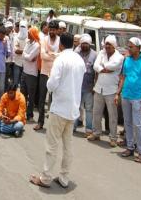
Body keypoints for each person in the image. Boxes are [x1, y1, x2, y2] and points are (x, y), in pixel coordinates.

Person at [30, 32, 86, 189]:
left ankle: (46, 178)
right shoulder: (79, 60)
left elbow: (52, 84)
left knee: (52, 145)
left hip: (60, 107)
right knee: (68, 145)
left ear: (61, 44)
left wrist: (49, 83)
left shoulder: (60, 59)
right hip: (73, 109)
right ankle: (64, 177)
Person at [115, 37, 141, 163]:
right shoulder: (127, 60)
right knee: (127, 123)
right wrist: (117, 93)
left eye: (131, 47)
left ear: (138, 48)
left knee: (137, 124)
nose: (128, 49)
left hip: (137, 97)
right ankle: (130, 147)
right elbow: (123, 78)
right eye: (128, 46)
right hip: (126, 95)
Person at [88, 35, 124, 146]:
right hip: (99, 88)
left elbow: (112, 66)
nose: (107, 46)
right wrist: (104, 69)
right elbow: (95, 66)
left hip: (112, 90)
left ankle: (113, 137)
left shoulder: (119, 57)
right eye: (106, 44)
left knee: (112, 115)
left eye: (109, 44)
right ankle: (96, 133)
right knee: (96, 112)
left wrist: (103, 67)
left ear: (114, 46)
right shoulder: (101, 53)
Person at [34, 20, 60, 131]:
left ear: (57, 30)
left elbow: (61, 55)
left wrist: (51, 54)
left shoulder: (60, 41)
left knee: (54, 99)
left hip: (56, 73)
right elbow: (43, 55)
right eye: (50, 29)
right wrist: (55, 56)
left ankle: (53, 124)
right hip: (44, 72)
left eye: (53, 30)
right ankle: (40, 122)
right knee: (41, 98)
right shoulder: (43, 39)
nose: (51, 32)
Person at [74, 34, 97, 134]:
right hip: (77, 86)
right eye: (82, 44)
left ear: (90, 44)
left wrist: (94, 86)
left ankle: (88, 129)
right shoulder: (77, 53)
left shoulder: (95, 55)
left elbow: (97, 72)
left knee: (89, 109)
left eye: (86, 44)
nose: (84, 46)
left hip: (89, 87)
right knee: (76, 107)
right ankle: (73, 127)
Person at [21, 27, 40, 121]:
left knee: (31, 96)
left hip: (32, 74)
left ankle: (30, 115)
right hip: (24, 71)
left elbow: (29, 57)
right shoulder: (27, 42)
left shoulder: (37, 45)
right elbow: (27, 56)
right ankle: (22, 113)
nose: (28, 34)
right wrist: (27, 56)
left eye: (29, 33)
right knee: (23, 94)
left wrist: (26, 56)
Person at [13, 21, 27, 86]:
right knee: (15, 83)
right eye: (21, 27)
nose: (22, 28)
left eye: (24, 27)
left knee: (23, 84)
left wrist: (21, 51)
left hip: (26, 64)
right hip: (17, 63)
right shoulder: (16, 37)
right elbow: (16, 51)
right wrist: (25, 51)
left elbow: (19, 50)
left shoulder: (29, 38)